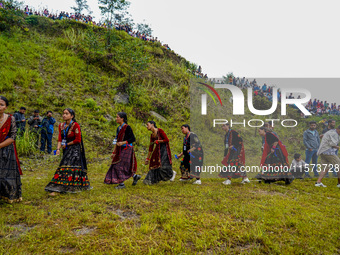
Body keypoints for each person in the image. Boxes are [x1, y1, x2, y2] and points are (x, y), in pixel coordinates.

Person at [45, 108, 91, 195]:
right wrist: (58, 149)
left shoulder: (75, 125)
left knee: (70, 166)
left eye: (66, 113)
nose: (64, 115)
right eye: (63, 113)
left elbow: (78, 139)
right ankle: (61, 186)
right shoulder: (61, 125)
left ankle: (66, 187)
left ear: (72, 116)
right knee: (63, 165)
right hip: (65, 149)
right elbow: (60, 138)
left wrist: (67, 144)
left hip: (75, 149)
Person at [104, 112, 141, 189]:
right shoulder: (118, 128)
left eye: (117, 117)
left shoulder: (127, 127)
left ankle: (121, 184)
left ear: (122, 118)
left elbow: (132, 139)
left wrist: (123, 142)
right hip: (120, 148)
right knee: (119, 165)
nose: (116, 118)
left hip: (127, 148)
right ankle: (135, 176)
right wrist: (114, 152)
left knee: (119, 165)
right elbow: (116, 140)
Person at [0, 96, 23, 203]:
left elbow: (12, 136)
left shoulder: (10, 119)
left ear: (6, 107)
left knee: (6, 175)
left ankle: (8, 195)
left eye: (1, 104)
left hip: (7, 150)